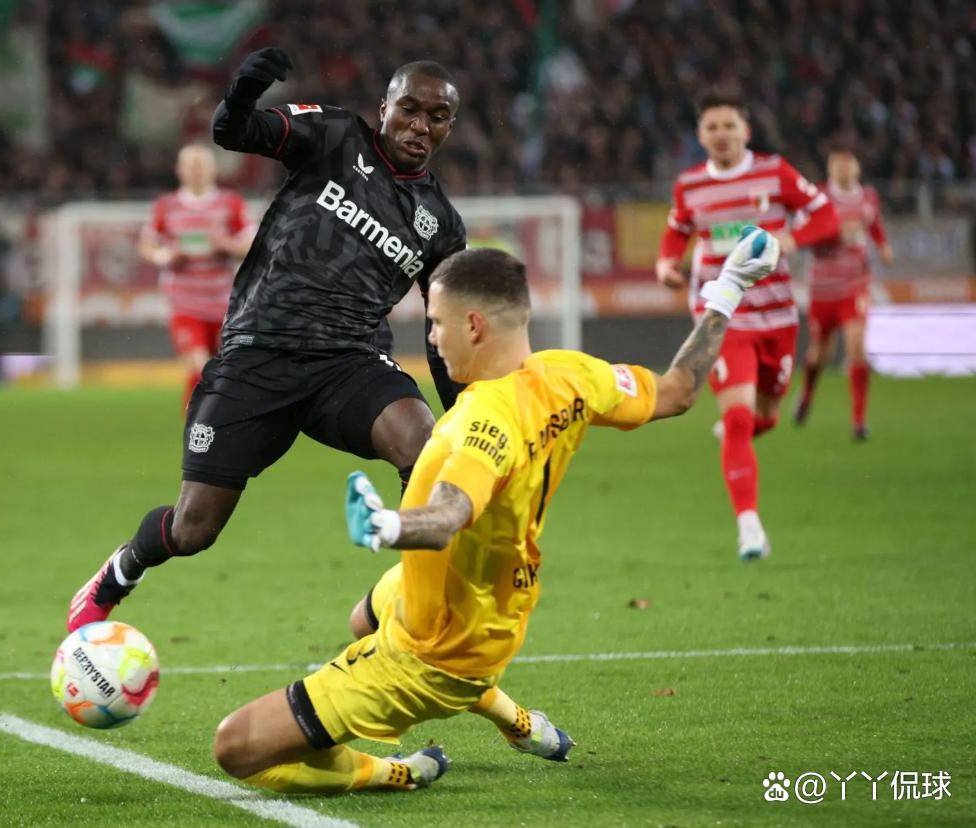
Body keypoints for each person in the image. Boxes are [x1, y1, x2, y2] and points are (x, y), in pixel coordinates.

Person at [209, 230, 781, 794]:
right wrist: (728, 288)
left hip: (436, 651)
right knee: (364, 617)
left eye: (436, 322)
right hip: (487, 596)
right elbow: (677, 390)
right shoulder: (570, 374)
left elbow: (448, 515)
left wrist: (388, 525)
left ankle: (396, 771)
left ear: (474, 325)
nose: (432, 337)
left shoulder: (482, 421)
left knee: (237, 746)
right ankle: (516, 719)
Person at [68, 48, 467, 631]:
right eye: (409, 109)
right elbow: (233, 132)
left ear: (449, 127)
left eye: (437, 117)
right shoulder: (335, 136)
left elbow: (442, 326)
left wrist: (464, 413)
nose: (420, 126)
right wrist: (243, 91)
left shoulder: (442, 223)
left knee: (425, 446)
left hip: (349, 363)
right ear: (384, 109)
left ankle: (410, 604)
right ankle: (119, 572)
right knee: (193, 528)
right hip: (258, 353)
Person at [655, 92, 838, 561]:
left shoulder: (775, 173)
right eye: (711, 127)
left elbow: (827, 216)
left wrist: (791, 239)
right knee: (738, 418)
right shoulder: (690, 185)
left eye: (729, 126)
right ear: (700, 136)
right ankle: (749, 526)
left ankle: (740, 435)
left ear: (746, 132)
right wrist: (666, 263)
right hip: (721, 316)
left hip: (777, 316)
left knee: (766, 416)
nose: (721, 134)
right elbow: (677, 229)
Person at [138, 143, 255, 409]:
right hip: (185, 303)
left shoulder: (231, 203)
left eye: (201, 165)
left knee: (222, 371)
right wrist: (167, 256)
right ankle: (199, 423)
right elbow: (146, 245)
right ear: (179, 170)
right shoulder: (166, 206)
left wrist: (226, 244)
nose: (196, 170)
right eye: (191, 165)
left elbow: (251, 243)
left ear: (213, 169)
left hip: (225, 303)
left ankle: (202, 421)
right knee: (200, 365)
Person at [793, 148, 892, 440]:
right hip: (823, 289)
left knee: (856, 348)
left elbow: (874, 225)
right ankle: (807, 396)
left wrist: (883, 246)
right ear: (830, 169)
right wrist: (835, 233)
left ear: (857, 168)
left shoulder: (869, 197)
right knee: (818, 355)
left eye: (847, 164)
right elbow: (802, 236)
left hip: (855, 285)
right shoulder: (818, 198)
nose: (842, 170)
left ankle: (859, 420)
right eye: (837, 165)